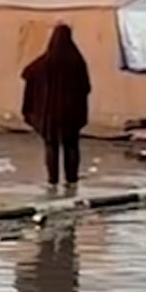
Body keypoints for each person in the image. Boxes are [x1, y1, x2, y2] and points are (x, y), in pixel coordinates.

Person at [21, 24, 91, 190]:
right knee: (72, 145)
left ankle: (52, 180)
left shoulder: (44, 63)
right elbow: (86, 87)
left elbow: (27, 73)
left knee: (51, 144)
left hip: (49, 114)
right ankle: (71, 179)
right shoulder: (77, 61)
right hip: (71, 113)